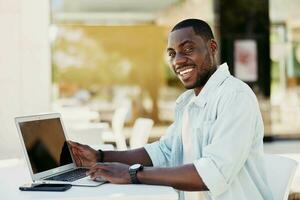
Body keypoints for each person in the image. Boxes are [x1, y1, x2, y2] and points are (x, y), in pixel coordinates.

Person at [69, 19, 273, 200]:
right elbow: (165, 151)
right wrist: (100, 156)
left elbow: (212, 172)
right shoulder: (188, 102)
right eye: (172, 54)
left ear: (212, 47)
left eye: (188, 49)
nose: (178, 60)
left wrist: (131, 174)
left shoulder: (235, 96)